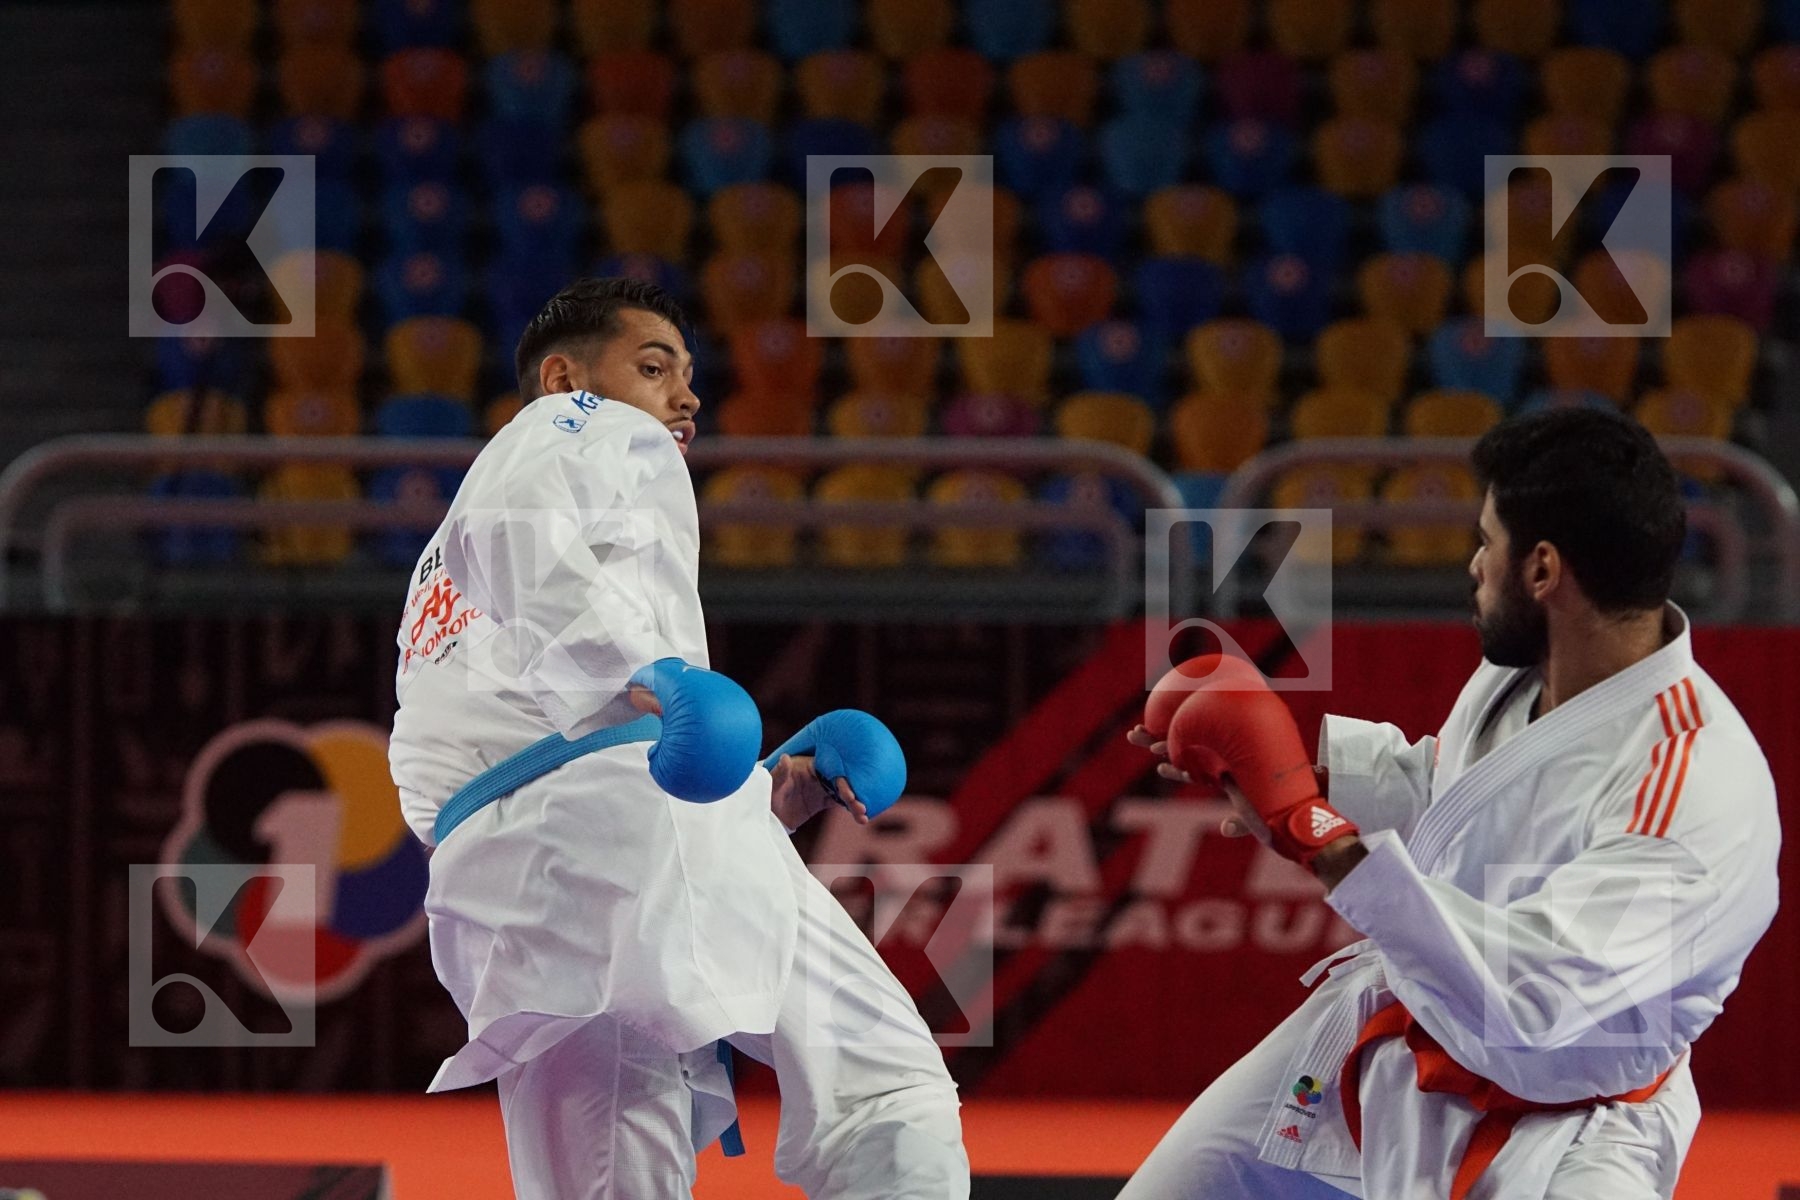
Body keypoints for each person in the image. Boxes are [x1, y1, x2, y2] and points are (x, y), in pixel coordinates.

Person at [388, 277, 969, 1200]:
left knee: (613, 1175)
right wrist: (643, 674)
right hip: (610, 831)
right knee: (881, 1082)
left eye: (689, 375)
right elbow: (527, 554)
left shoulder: (436, 575)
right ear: (563, 376)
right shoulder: (572, 423)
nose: (685, 396)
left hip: (521, 875)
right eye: (653, 367)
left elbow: (529, 748)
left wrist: (766, 790)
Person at [1121, 407, 1781, 1200]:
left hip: (1566, 1126)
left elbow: (1534, 992)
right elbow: (1458, 798)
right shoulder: (1521, 673)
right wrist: (1294, 771)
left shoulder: (1691, 786)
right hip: (1401, 1030)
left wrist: (1315, 833)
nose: (1473, 564)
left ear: (1542, 570)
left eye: (1486, 541)